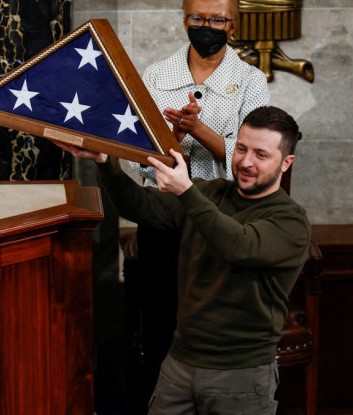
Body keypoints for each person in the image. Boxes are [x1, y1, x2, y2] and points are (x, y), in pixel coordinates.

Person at [56, 105, 311, 414]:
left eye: (261, 155)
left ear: (286, 163)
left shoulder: (291, 221)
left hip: (241, 374)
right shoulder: (212, 192)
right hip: (179, 363)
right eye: (241, 149)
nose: (245, 162)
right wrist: (106, 163)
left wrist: (188, 192)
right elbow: (140, 206)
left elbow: (239, 245)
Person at [122, 0, 270, 413]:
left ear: (234, 26)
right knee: (161, 329)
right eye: (197, 17)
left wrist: (200, 131)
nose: (206, 25)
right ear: (184, 19)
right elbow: (137, 156)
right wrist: (170, 133)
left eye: (217, 19)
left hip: (223, 223)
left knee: (213, 331)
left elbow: (255, 161)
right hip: (164, 218)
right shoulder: (156, 75)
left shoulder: (249, 80)